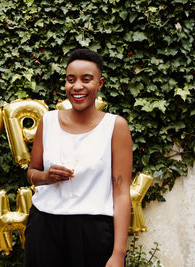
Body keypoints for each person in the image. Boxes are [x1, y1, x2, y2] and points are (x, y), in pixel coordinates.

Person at [24, 48, 132, 267]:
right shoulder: (49, 121)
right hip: (45, 226)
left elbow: (121, 193)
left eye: (86, 79)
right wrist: (46, 176)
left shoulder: (115, 126)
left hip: (93, 231)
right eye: (70, 80)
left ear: (100, 83)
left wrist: (119, 254)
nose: (77, 86)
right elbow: (31, 174)